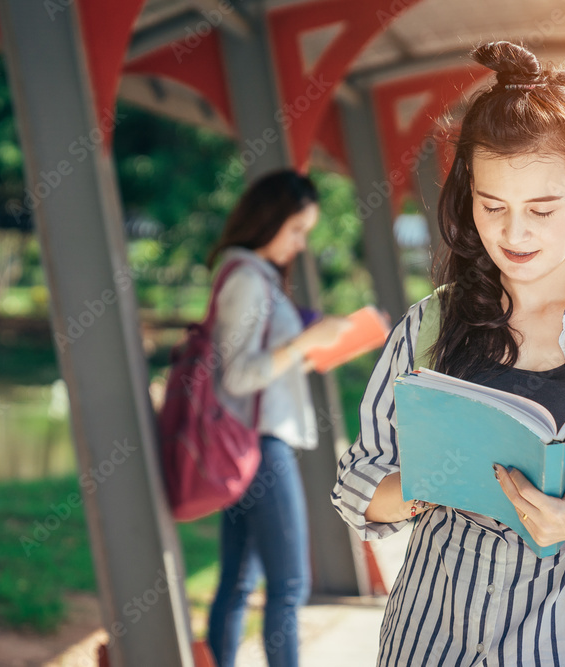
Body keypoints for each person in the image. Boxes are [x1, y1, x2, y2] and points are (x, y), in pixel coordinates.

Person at [330, 42, 565, 666]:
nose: (513, 234)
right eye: (491, 206)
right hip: (438, 639)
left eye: (541, 209)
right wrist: (436, 480)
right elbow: (357, 489)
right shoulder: (430, 325)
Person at [204, 169, 353, 667]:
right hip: (261, 446)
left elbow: (259, 367)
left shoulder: (255, 274)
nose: (301, 244)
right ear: (267, 220)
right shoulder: (246, 279)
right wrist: (304, 343)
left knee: (240, 581)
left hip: (253, 441)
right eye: (296, 230)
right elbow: (237, 377)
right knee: (289, 585)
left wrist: (308, 353)